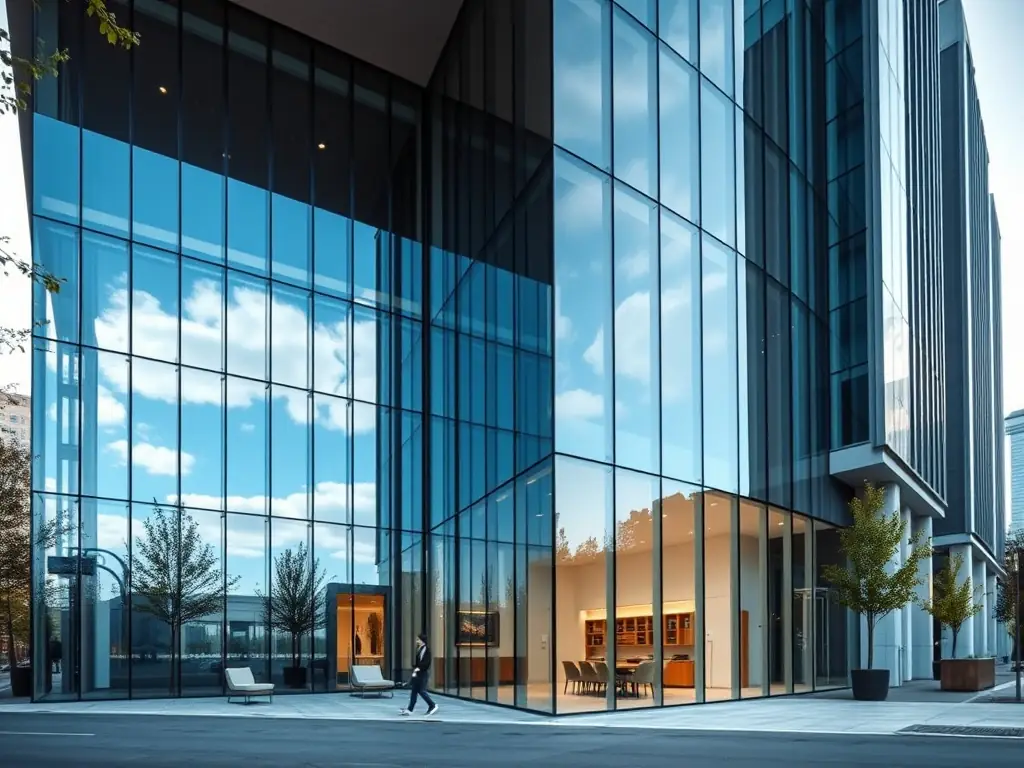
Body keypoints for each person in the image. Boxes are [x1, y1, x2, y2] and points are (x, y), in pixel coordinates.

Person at [400, 633, 438, 717]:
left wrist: (419, 668)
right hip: (418, 672)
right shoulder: (419, 649)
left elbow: (427, 663)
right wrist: (415, 669)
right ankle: (410, 709)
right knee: (414, 691)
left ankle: (432, 705)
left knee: (421, 691)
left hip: (423, 673)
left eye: (418, 640)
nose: (417, 641)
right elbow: (418, 662)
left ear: (422, 641)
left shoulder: (427, 650)